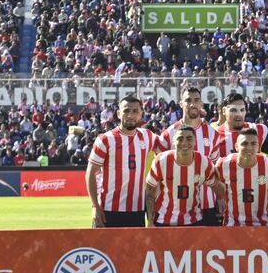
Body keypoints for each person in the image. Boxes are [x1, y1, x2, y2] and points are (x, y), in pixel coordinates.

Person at [86, 95, 164, 228]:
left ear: (141, 114)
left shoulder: (147, 136)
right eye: (126, 111)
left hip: (137, 211)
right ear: (118, 113)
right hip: (108, 210)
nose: (130, 115)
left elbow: (170, 145)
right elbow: (90, 173)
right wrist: (95, 206)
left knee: (135, 249)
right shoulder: (105, 139)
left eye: (135, 111)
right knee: (104, 249)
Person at [161, 87, 221, 225]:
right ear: (181, 103)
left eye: (196, 100)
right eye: (188, 100)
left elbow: (215, 172)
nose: (192, 104)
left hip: (207, 204)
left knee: (207, 246)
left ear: (201, 104)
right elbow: (161, 172)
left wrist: (220, 199)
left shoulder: (213, 134)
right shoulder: (168, 134)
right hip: (177, 206)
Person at [214, 128, 268, 226]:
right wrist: (222, 197)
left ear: (258, 146)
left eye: (253, 144)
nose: (249, 147)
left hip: (262, 226)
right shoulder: (223, 164)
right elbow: (213, 181)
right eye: (244, 144)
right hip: (232, 226)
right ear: (236, 146)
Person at [146, 125, 217, 227]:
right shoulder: (161, 160)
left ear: (195, 141)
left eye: (189, 139)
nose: (184, 143)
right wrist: (150, 221)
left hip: (194, 220)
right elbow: (149, 192)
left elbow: (216, 186)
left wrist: (221, 200)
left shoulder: (204, 162)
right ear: (174, 142)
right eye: (180, 139)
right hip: (164, 220)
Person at [214, 93, 268, 158]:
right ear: (224, 111)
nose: (239, 114)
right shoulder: (214, 135)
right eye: (233, 110)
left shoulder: (258, 129)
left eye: (242, 110)